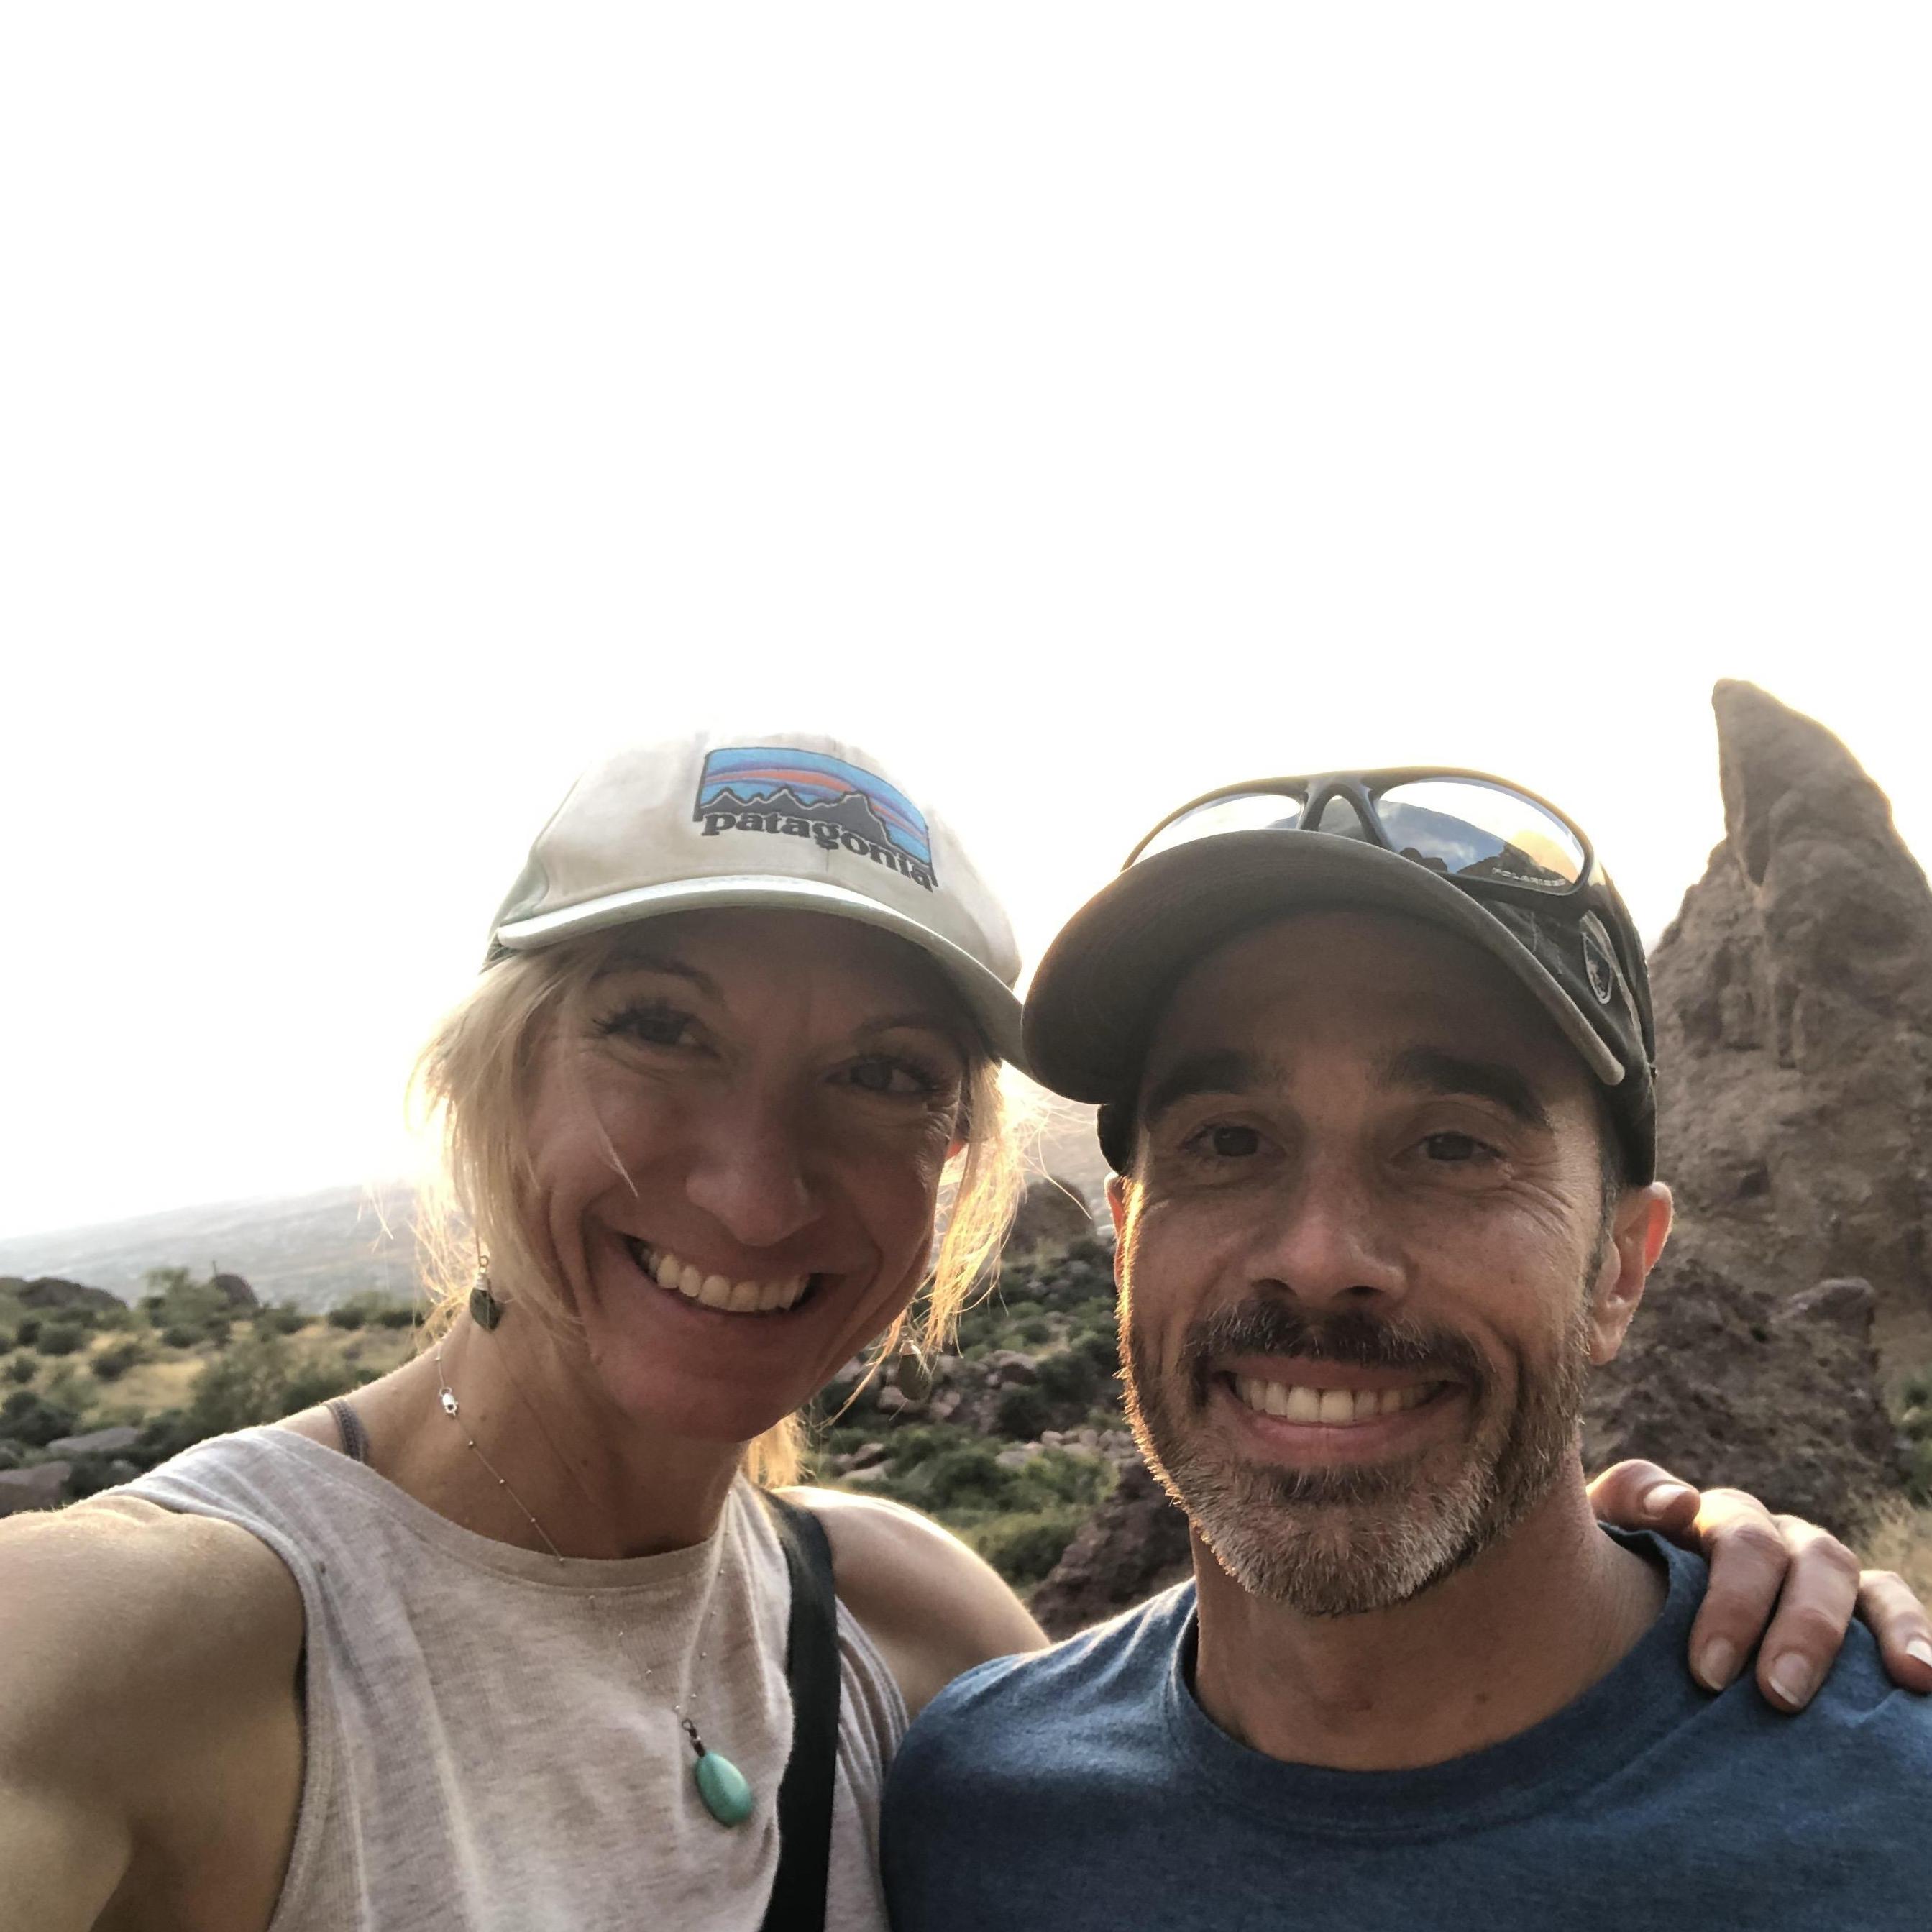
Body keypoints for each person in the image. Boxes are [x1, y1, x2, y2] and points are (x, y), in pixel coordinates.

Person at [0, 740, 1920, 1932]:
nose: (753, 1192)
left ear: (1626, 1264)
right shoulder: (155, 1634)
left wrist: (1717, 1583)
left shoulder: (910, 1650)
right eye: (659, 1027)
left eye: (885, 1076)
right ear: (490, 1084)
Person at [883, 766, 1932, 1932]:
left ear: (1620, 1268)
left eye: (1452, 1147)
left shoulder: (1893, 1824)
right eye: (1229, 1141)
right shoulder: (973, 1812)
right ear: (1128, 1242)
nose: (1322, 1256)